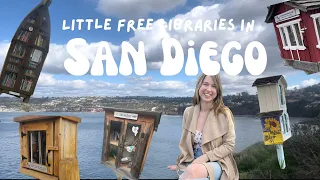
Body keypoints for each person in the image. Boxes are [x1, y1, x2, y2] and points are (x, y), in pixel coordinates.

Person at [167, 73, 239, 180]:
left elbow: (229, 145)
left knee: (191, 172)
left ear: (218, 90)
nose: (209, 89)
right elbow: (186, 144)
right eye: (205, 84)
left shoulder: (224, 113)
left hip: (218, 162)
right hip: (193, 162)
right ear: (199, 86)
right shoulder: (188, 112)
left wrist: (203, 158)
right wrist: (180, 164)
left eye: (214, 86)